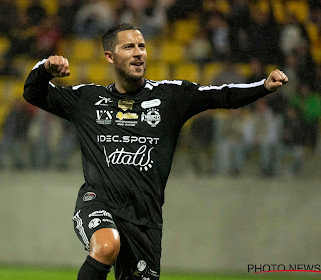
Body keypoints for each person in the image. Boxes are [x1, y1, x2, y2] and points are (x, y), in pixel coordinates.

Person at [23, 23, 288, 280]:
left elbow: (221, 95)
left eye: (142, 46)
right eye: (128, 47)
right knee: (106, 247)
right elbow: (33, 94)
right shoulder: (87, 99)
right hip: (99, 202)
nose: (138, 52)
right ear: (110, 56)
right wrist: (44, 69)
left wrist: (262, 86)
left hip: (145, 219)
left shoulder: (171, 97)